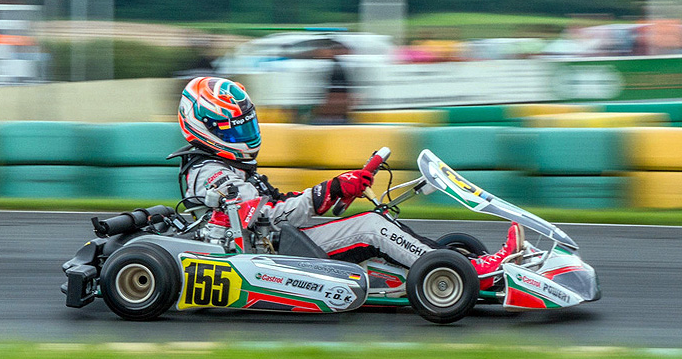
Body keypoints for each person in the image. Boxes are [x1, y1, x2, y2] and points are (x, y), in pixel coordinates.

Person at [170, 76, 523, 285]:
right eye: (233, 128)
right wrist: (329, 192)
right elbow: (265, 218)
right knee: (371, 228)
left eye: (245, 125)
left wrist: (337, 188)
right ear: (203, 125)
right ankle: (470, 273)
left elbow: (272, 204)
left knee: (378, 221)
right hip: (268, 255)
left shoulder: (227, 166)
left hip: (276, 244)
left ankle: (455, 261)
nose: (243, 134)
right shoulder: (210, 171)